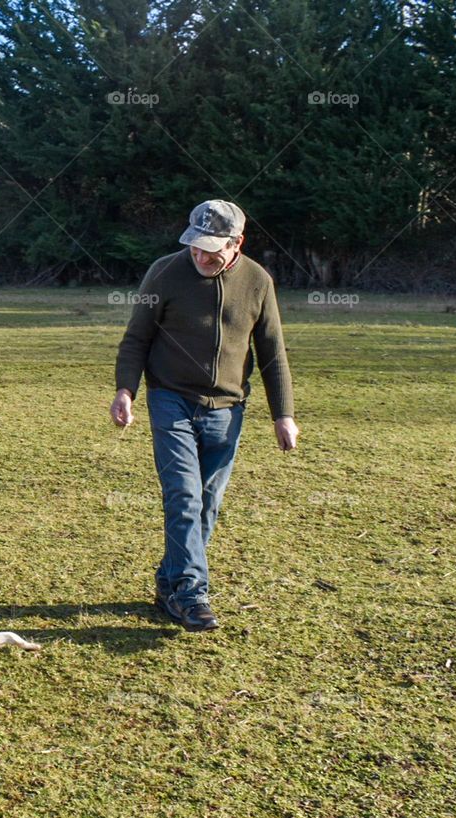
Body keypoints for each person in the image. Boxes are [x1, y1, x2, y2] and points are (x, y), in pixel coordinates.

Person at [110, 199, 299, 632]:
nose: (200, 256)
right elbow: (136, 337)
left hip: (228, 409)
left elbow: (271, 352)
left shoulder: (258, 281)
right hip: (170, 400)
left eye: (211, 249)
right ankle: (193, 595)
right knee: (184, 496)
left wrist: (282, 414)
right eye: (194, 246)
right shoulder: (164, 272)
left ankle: (170, 583)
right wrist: (126, 390)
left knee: (208, 504)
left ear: (237, 244)